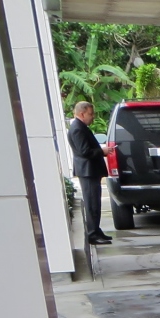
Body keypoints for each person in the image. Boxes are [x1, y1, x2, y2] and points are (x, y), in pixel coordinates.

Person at [67, 101, 112, 245]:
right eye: (90, 114)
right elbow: (84, 151)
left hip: (91, 170)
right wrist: (102, 151)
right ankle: (92, 234)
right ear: (82, 113)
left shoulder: (81, 127)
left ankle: (96, 230)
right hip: (87, 171)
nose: (92, 117)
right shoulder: (77, 129)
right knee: (92, 203)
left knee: (95, 202)